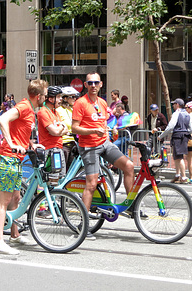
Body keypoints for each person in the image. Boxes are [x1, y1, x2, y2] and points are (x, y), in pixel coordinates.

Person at [71, 72, 134, 239]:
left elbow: (104, 121)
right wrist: (93, 130)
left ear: (100, 84)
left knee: (129, 166)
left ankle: (131, 205)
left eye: (96, 82)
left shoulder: (102, 102)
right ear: (85, 85)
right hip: (89, 147)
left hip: (105, 144)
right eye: (90, 83)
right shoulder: (80, 103)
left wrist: (110, 129)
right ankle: (82, 225)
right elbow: (74, 128)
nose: (93, 85)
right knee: (91, 184)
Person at [0, 79, 48, 255]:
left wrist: (31, 144)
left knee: (16, 198)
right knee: (4, 201)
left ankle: (14, 235)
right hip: (8, 156)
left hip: (17, 157)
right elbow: (3, 119)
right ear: (38, 96)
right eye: (45, 96)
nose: (45, 99)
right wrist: (11, 143)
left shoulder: (31, 110)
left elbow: (20, 130)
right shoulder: (24, 107)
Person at [37, 86, 69, 180]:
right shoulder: (43, 112)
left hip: (59, 148)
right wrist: (61, 128)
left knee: (61, 177)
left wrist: (60, 129)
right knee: (52, 179)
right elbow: (54, 131)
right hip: (49, 150)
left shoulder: (56, 112)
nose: (61, 99)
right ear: (50, 99)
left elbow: (66, 130)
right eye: (58, 97)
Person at [158, 98, 192, 184]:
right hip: (184, 136)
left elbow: (170, 126)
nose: (173, 106)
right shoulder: (187, 114)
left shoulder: (176, 114)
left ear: (177, 105)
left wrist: (161, 136)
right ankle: (177, 175)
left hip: (177, 136)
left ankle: (183, 177)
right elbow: (191, 128)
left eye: (174, 104)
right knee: (177, 157)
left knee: (179, 157)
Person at [56, 89, 77, 169]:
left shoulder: (72, 110)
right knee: (62, 169)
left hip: (73, 142)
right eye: (72, 97)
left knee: (71, 170)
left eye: (75, 97)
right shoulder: (59, 110)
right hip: (64, 143)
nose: (75, 99)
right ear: (65, 98)